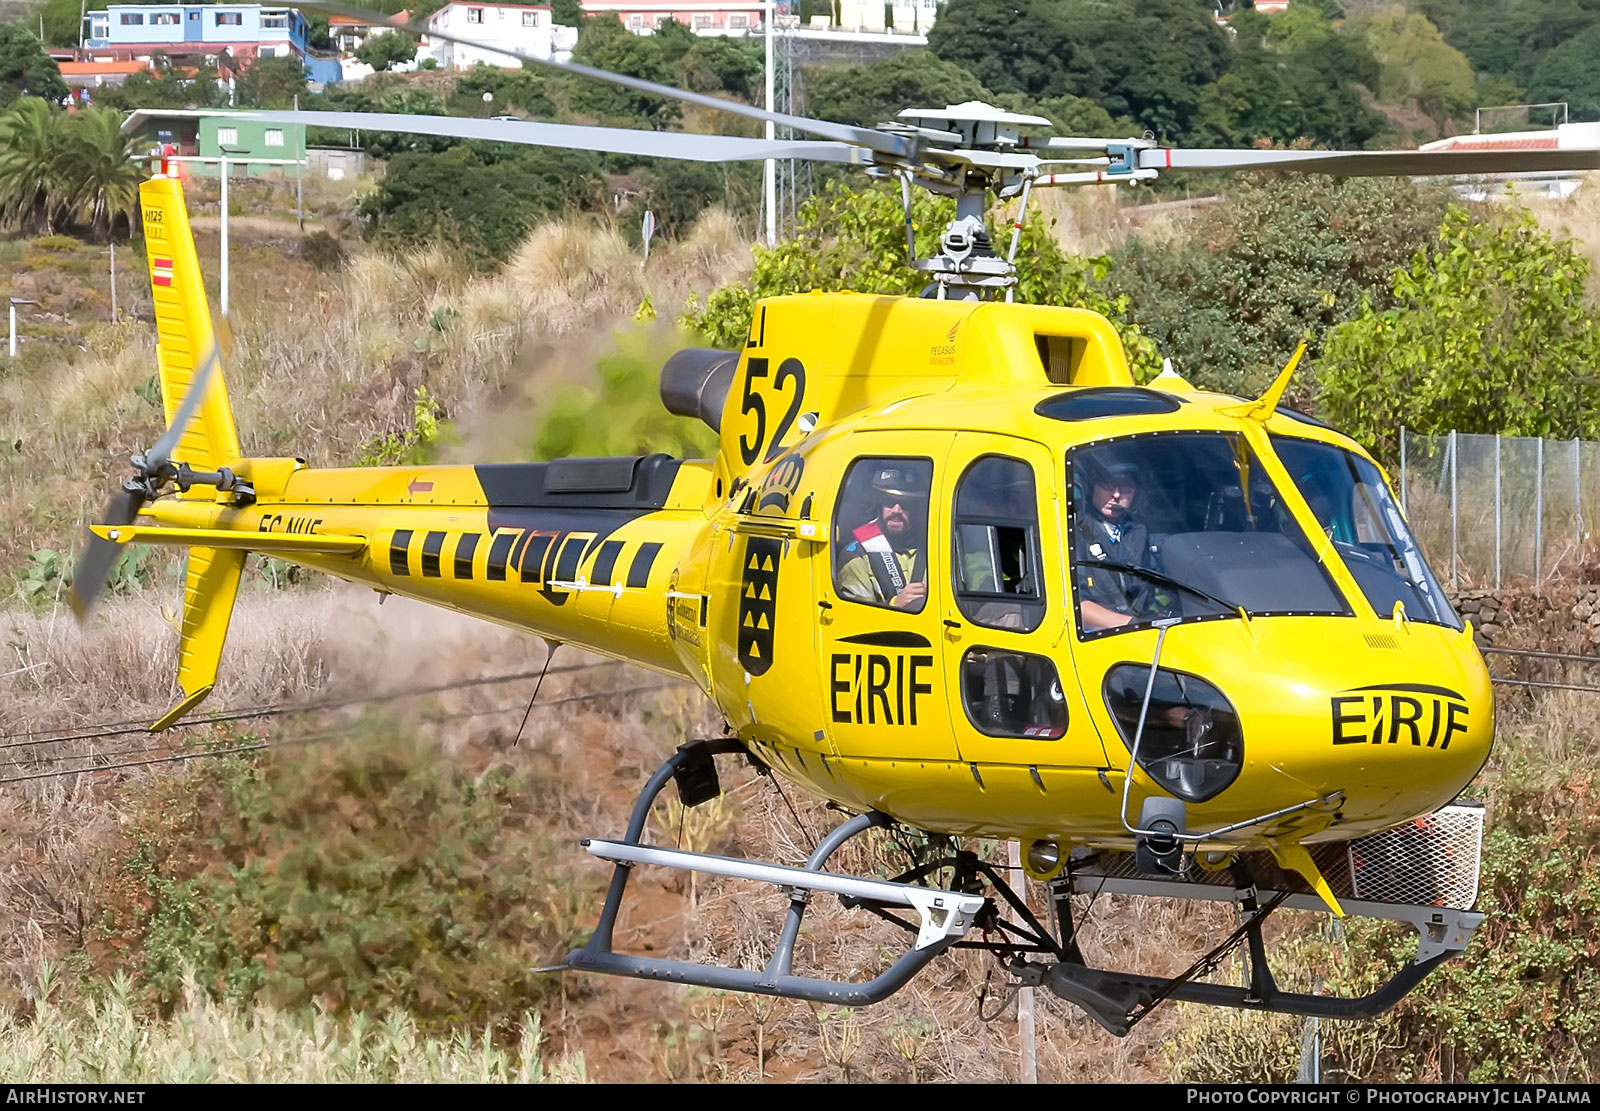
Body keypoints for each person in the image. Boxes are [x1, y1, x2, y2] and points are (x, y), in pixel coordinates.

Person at [1074, 457, 1158, 630]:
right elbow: (1075, 605)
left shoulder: (1141, 532)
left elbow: (1159, 589)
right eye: (1107, 485)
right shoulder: (1075, 532)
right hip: (1095, 637)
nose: (1116, 495)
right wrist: (1131, 625)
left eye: (1126, 488)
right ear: (1092, 488)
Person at [838, 466, 928, 610]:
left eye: (905, 503)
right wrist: (894, 604)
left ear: (916, 509)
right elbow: (855, 617)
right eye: (889, 501)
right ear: (879, 504)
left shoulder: (936, 547)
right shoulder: (855, 556)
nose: (896, 510)